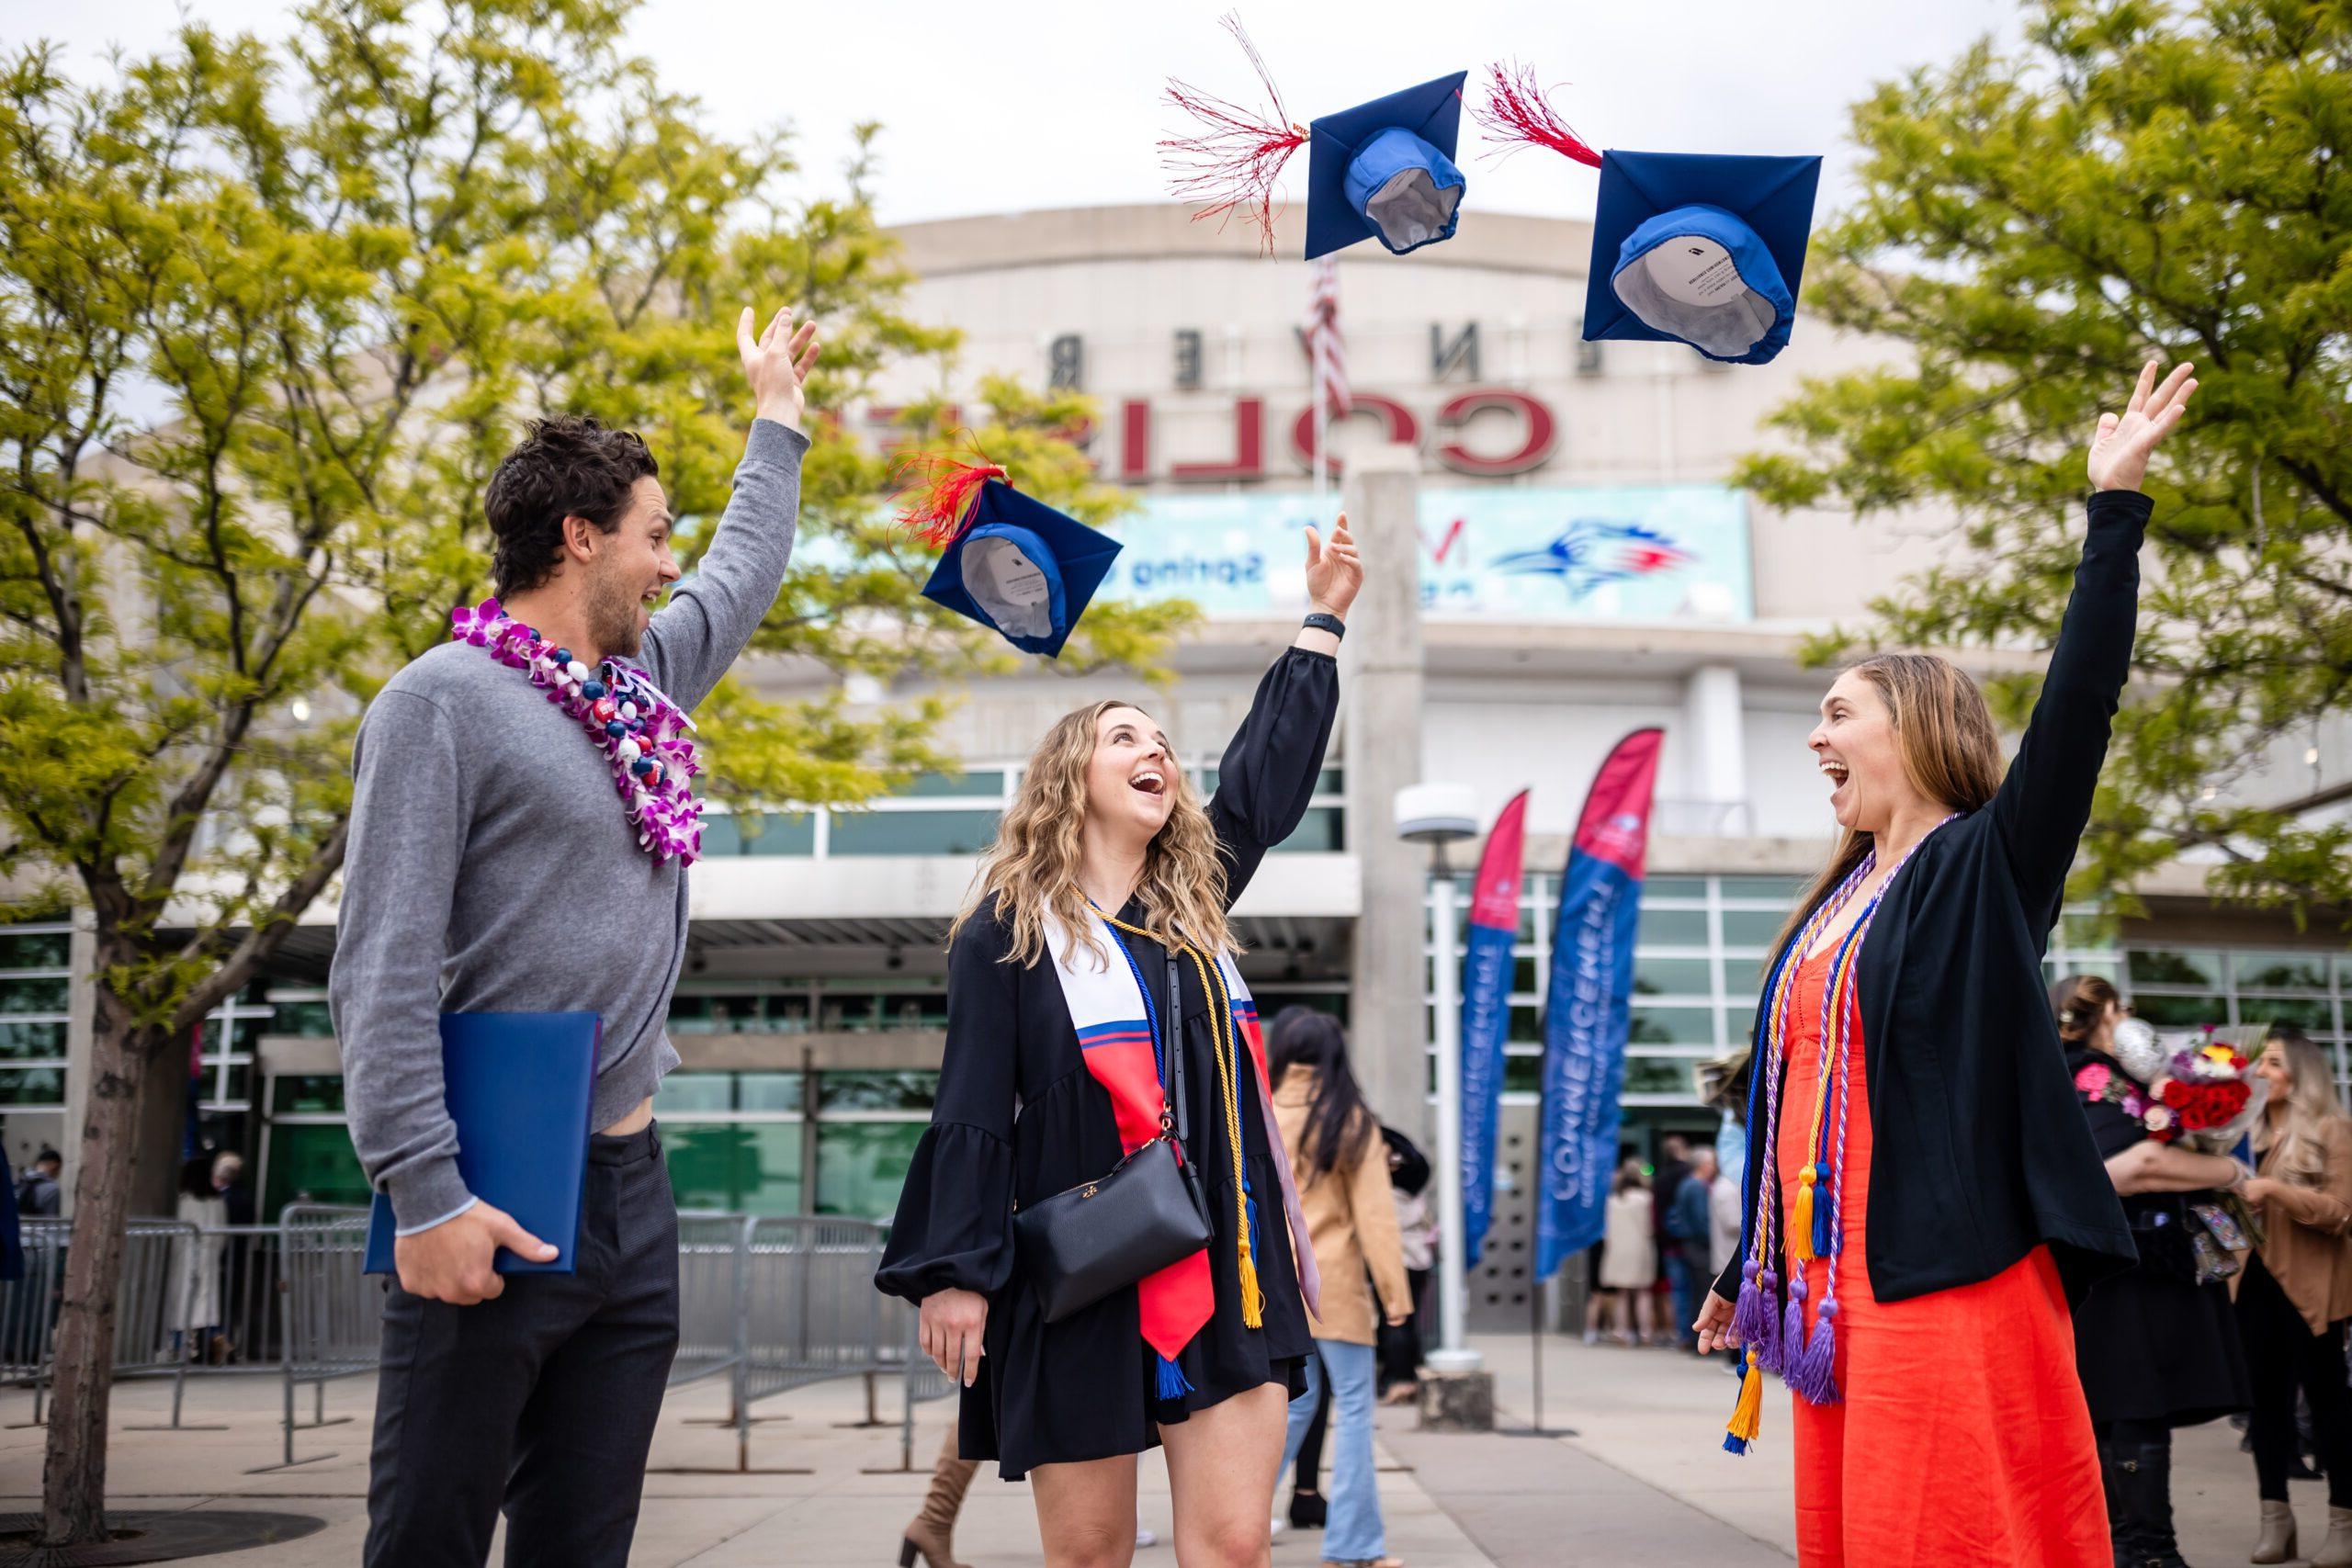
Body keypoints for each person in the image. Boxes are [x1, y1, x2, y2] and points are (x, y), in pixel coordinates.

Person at [329, 301, 819, 1568]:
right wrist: (424, 1187)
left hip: (629, 1191)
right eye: (654, 536)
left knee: (581, 1542)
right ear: (580, 534)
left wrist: (778, 421)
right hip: (487, 1178)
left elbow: (743, 572)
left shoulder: (640, 693)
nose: (671, 564)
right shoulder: (439, 702)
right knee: (430, 1537)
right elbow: (377, 964)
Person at [1695, 362, 2199, 1565]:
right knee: (1861, 1539)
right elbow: (1807, 1098)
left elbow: (2079, 704)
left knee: (1949, 1534)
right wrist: (1744, 1261)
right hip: (1824, 1289)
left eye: (1837, 712)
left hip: (1940, 1279)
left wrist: (2113, 511)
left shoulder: (1988, 866)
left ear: (1914, 724)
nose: (1816, 736)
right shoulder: (1835, 901)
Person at [876, 515, 1360, 1568]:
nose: (1157, 753)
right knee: (1090, 1557)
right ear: (1071, 777)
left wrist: (1321, 621)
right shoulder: (1006, 932)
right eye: (1127, 736)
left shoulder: (1193, 908)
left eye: (1164, 743)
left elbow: (1265, 789)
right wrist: (954, 1270)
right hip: (1081, 1269)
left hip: (1224, 1263)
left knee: (1232, 1550)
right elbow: (968, 1107)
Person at [2057, 973, 2250, 1567]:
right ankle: (2148, 1551)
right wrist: (2234, 1175)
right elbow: (2130, 1166)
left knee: (2119, 1411)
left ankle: (2129, 1547)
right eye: (2124, 1009)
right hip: (2128, 1270)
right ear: (2104, 1013)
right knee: (2131, 1406)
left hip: (2115, 1269)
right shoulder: (2095, 1078)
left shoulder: (2076, 1076)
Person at [1270, 1008, 1413, 1568]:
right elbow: (1377, 1220)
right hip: (1337, 1287)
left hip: (1273, 1286)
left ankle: (1238, 1523)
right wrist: (1397, 1301)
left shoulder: (1256, 1109)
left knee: (1290, 1409)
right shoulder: (1350, 1121)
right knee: (1353, 1408)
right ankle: (1352, 1544)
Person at [2234, 1023, 2352, 1566]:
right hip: (2253, 1284)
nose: (2261, 1072)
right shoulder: (2241, 1134)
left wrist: (2276, 1190)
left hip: (2310, 1290)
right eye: (2260, 1063)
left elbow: (2341, 1215)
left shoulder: (2334, 1130)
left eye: (2273, 1062)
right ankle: (2275, 1521)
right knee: (2264, 1409)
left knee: (2328, 1407)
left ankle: (2344, 1524)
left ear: (2300, 1073)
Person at [1379, 1126, 1434, 1404]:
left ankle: (1399, 1380)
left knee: (1395, 1321)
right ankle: (1406, 1377)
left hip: (1398, 1261)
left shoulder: (1386, 1194)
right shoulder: (1413, 1192)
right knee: (1407, 1322)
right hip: (1418, 1260)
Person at [168, 1155, 229, 1362]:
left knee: (185, 1302)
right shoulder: (218, 1201)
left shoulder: (186, 1200)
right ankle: (205, 1348)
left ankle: (182, 1347)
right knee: (206, 1304)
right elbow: (222, 1234)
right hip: (210, 1256)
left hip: (187, 1256)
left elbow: (179, 1234)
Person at [1600, 1161, 1657, 1346]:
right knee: (1643, 1292)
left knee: (1622, 1293)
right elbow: (1649, 1226)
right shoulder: (1645, 1198)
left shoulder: (1613, 1200)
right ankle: (1645, 1332)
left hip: (1617, 1248)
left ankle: (1621, 1331)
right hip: (1639, 1247)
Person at [1668, 1148, 1718, 1351]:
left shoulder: (1687, 1185)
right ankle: (1699, 1338)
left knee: (1693, 1292)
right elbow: (1701, 1221)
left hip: (1690, 1246)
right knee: (1702, 1292)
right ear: (1703, 1165)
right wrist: (1712, 1239)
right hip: (1698, 1247)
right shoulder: (1696, 1187)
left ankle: (1690, 1337)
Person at [17, 1149, 61, 1218]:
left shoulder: (20, 1182)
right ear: (55, 1166)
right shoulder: (52, 1189)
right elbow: (51, 1222)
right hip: (37, 1227)